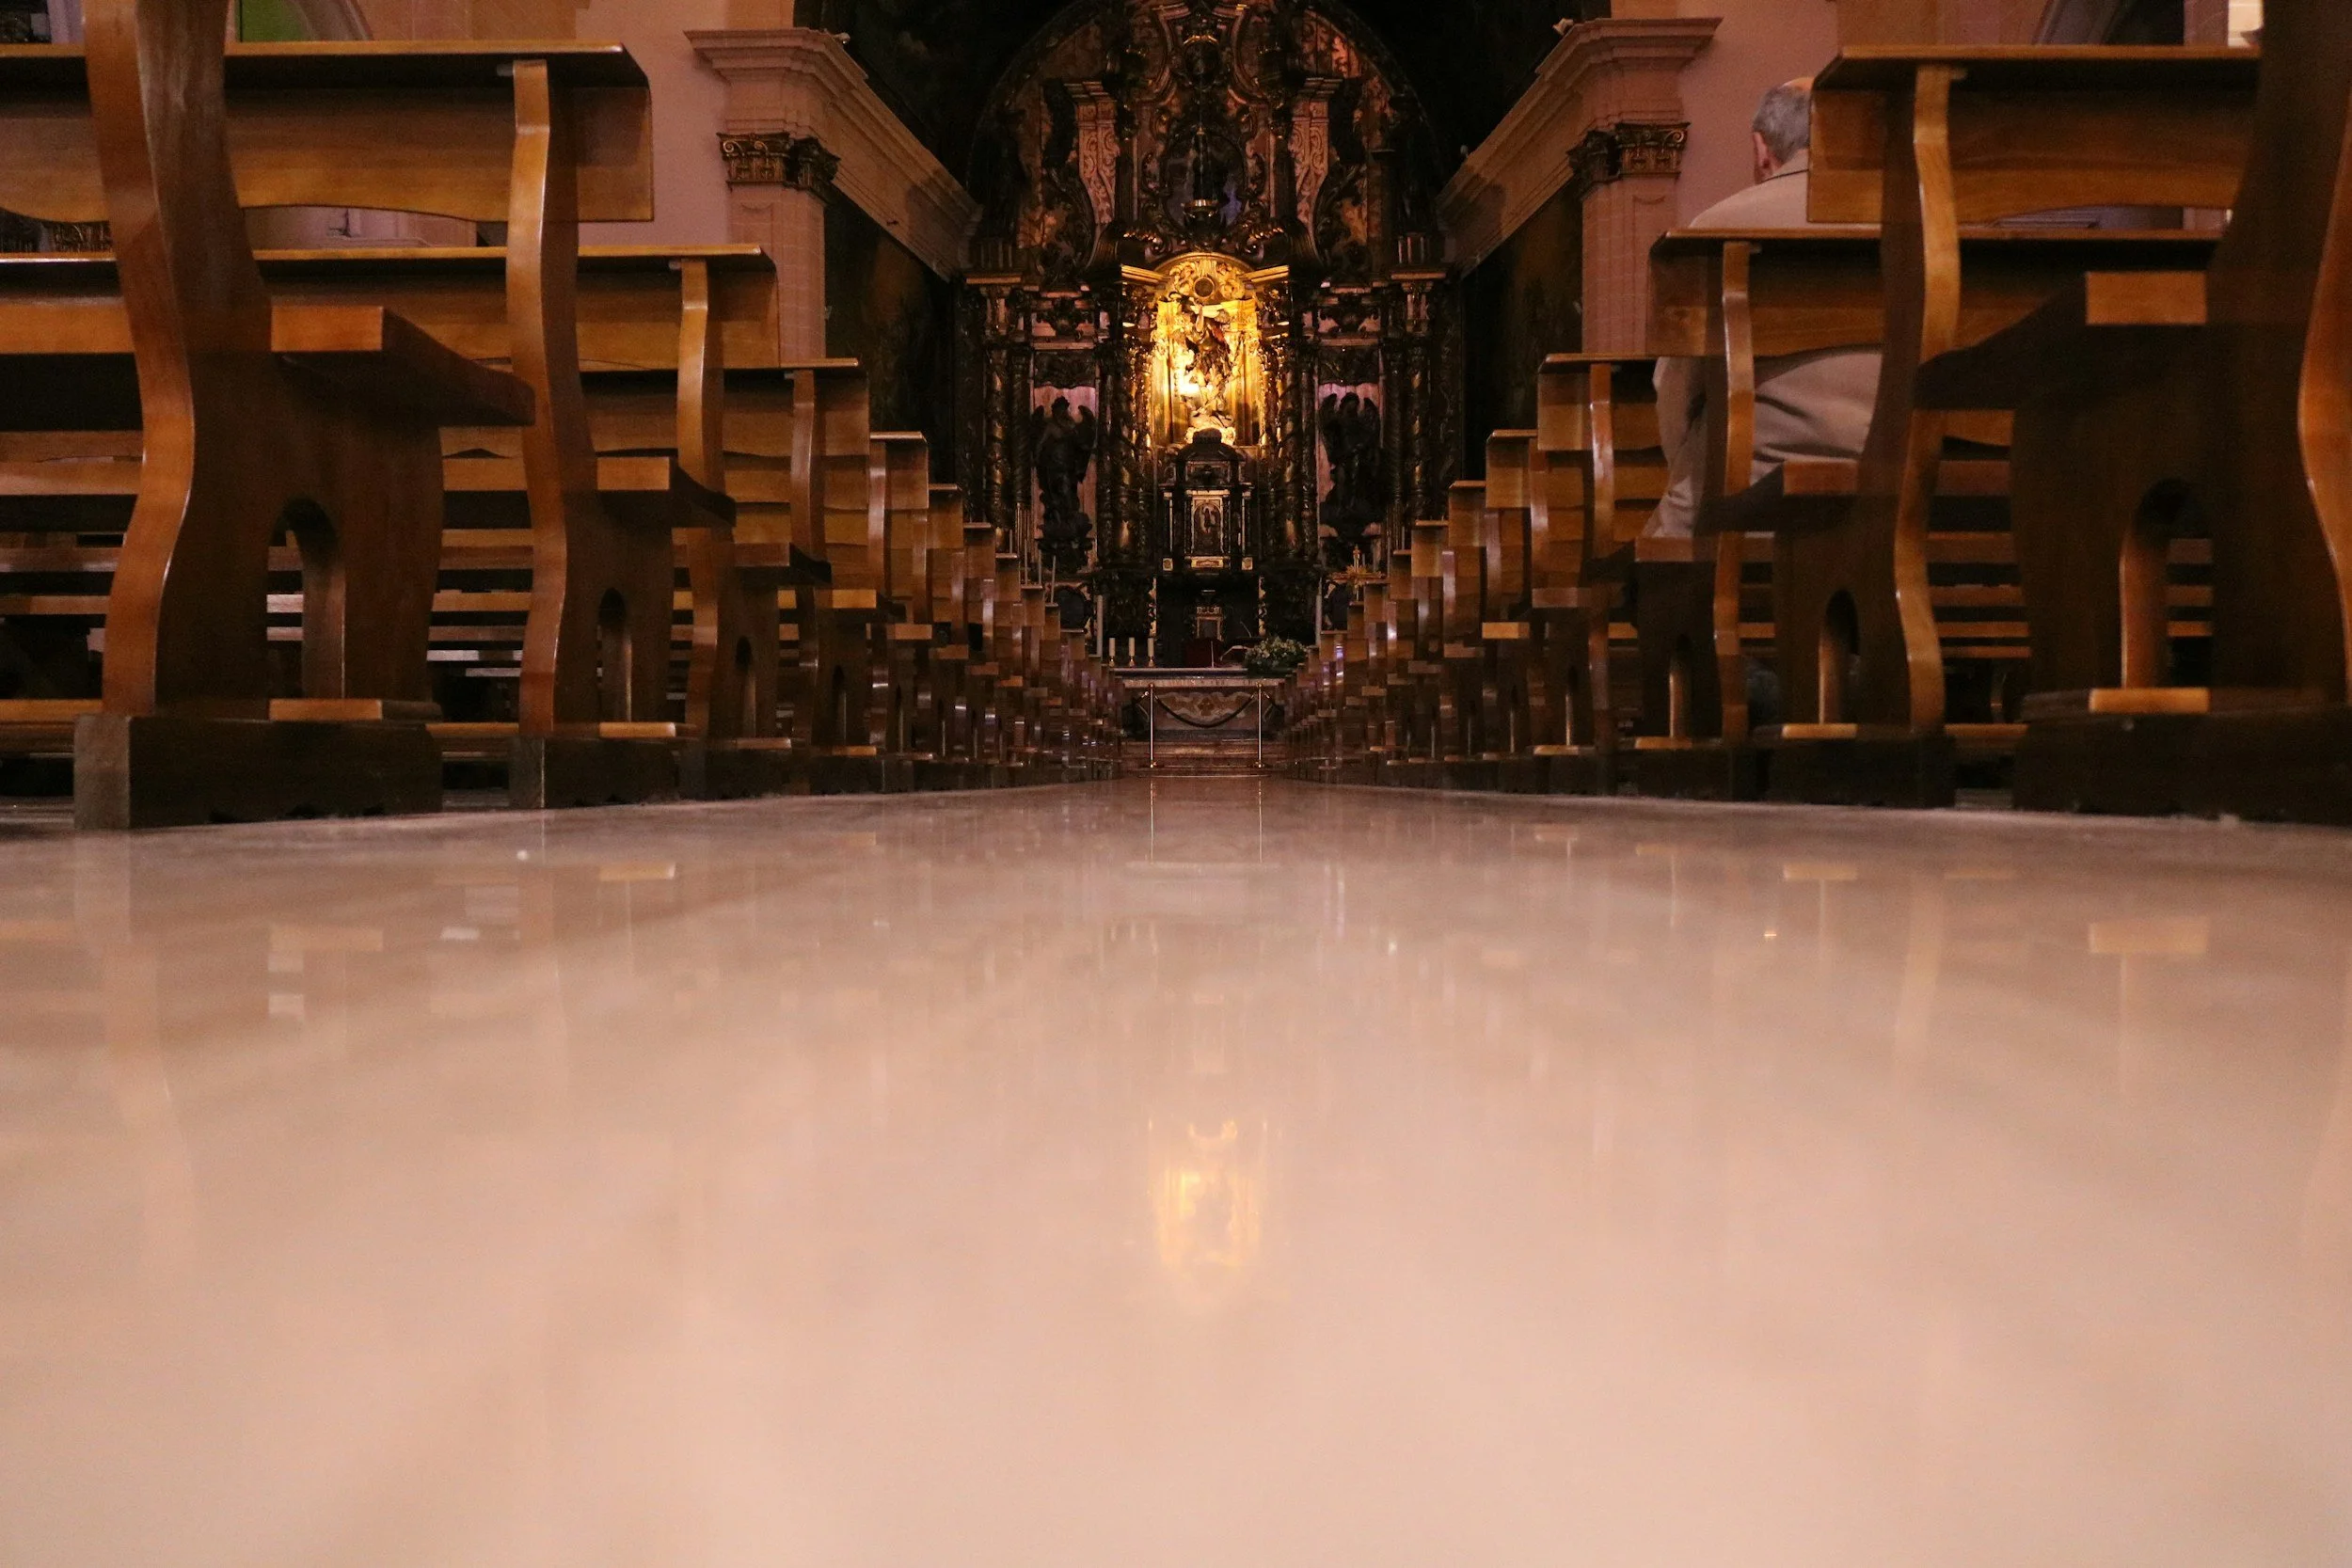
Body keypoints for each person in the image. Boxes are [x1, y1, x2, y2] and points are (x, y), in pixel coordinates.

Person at [1648, 79, 1883, 539]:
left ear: (1761, 148)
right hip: (1902, 494)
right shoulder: (1920, 221)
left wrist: (1684, 468)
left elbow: (1676, 388)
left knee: (1656, 571)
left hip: (1752, 505)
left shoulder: (1716, 229)